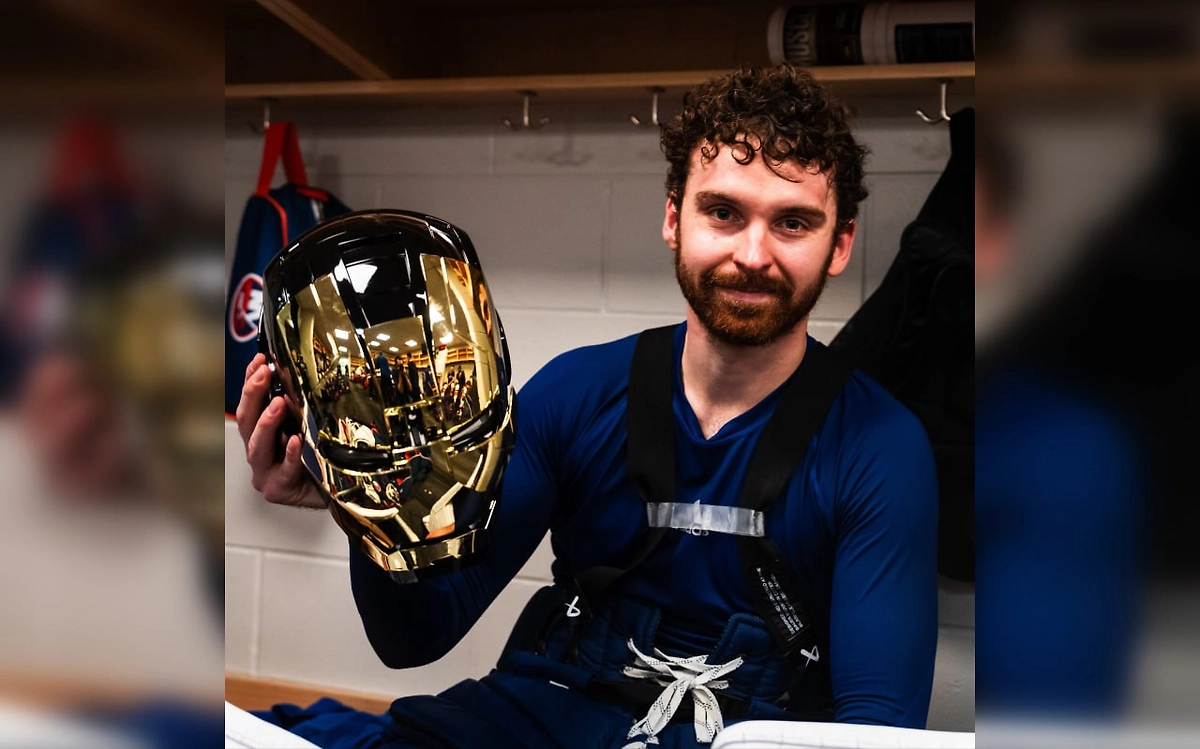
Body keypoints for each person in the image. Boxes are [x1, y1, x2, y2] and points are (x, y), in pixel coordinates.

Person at [237, 63, 938, 749]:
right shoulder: (577, 393)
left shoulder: (879, 447)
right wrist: (364, 507)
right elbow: (415, 637)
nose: (752, 254)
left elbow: (877, 729)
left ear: (840, 243)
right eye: (723, 212)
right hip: (550, 713)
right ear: (675, 218)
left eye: (793, 223)